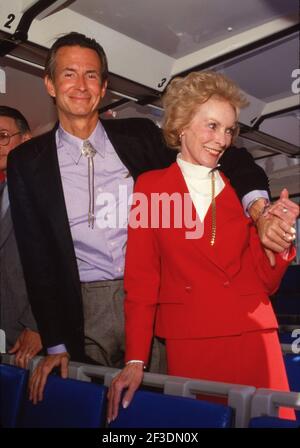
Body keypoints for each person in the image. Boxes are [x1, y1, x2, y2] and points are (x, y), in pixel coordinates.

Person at [7, 33, 296, 404]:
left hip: (156, 301)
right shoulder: (26, 161)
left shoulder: (139, 136)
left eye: (92, 75)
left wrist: (259, 211)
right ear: (49, 83)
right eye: (69, 74)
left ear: (105, 86)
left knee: (158, 401)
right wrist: (53, 338)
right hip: (80, 300)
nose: (81, 86)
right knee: (96, 405)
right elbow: (36, 255)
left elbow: (227, 156)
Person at [107, 71, 299, 422]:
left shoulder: (238, 185)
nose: (222, 139)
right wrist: (135, 359)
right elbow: (141, 280)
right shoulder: (150, 187)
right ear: (181, 125)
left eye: (228, 130)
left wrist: (282, 238)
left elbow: (266, 282)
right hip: (192, 339)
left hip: (254, 336)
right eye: (212, 126)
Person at [0, 106, 42, 367]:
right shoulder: (3, 190)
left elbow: (62, 262)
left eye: (3, 135)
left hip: (28, 336)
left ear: (26, 139)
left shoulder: (48, 190)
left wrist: (38, 325)